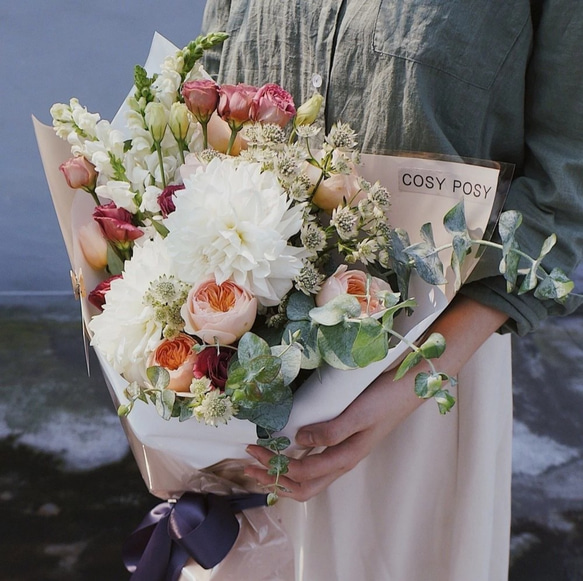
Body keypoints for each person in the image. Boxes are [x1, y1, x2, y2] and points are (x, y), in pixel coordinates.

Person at [200, 2, 583, 579]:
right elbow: (198, 107)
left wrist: (409, 387)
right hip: (231, 377)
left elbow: (567, 182)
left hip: (423, 380)